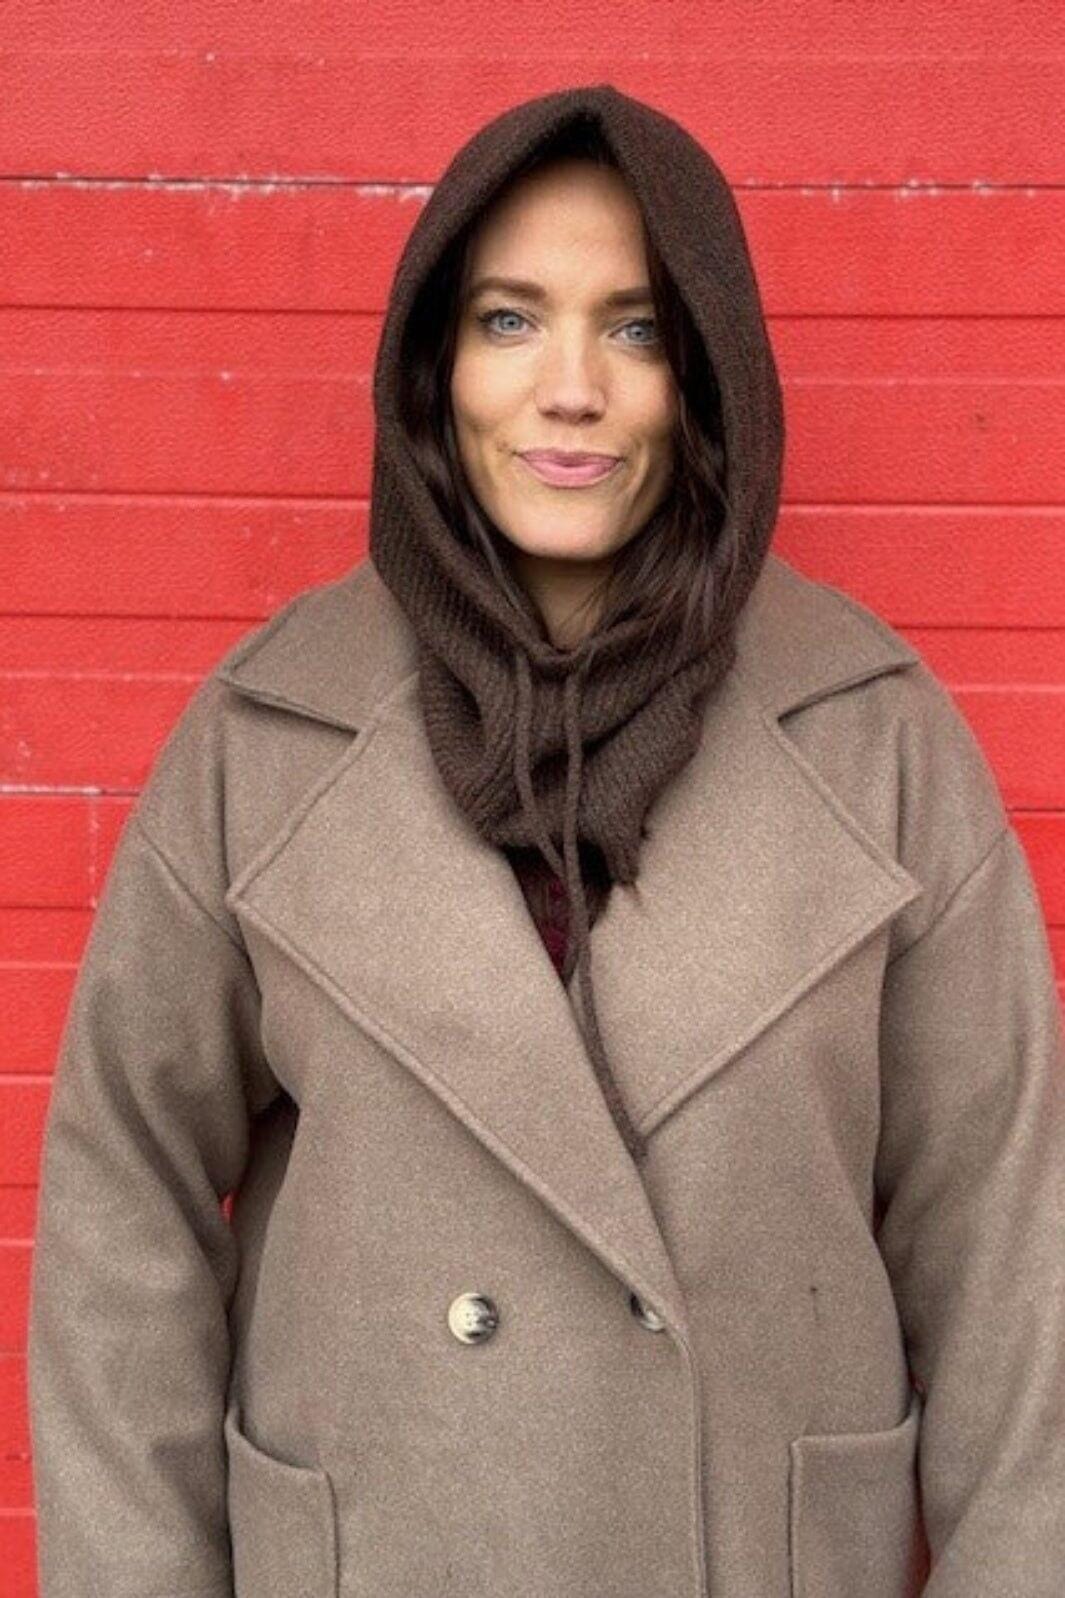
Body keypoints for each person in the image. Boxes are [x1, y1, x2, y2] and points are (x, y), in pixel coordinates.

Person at [26, 82, 1065, 1598]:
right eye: (509, 320)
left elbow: (1016, 1265)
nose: (569, 389)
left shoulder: (876, 743)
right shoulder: (264, 738)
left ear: (705, 377)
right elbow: (122, 1207)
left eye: (634, 329)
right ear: (433, 365)